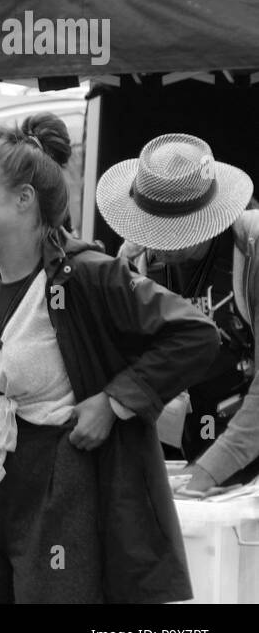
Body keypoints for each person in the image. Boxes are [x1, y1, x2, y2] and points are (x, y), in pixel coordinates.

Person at [0, 115, 219, 603]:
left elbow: (195, 334)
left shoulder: (90, 274)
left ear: (25, 199)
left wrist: (114, 401)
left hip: (60, 484)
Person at [96, 133, 259, 491]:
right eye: (151, 228)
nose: (159, 244)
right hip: (173, 457)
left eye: (173, 233)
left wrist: (208, 473)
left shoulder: (250, 251)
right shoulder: (135, 262)